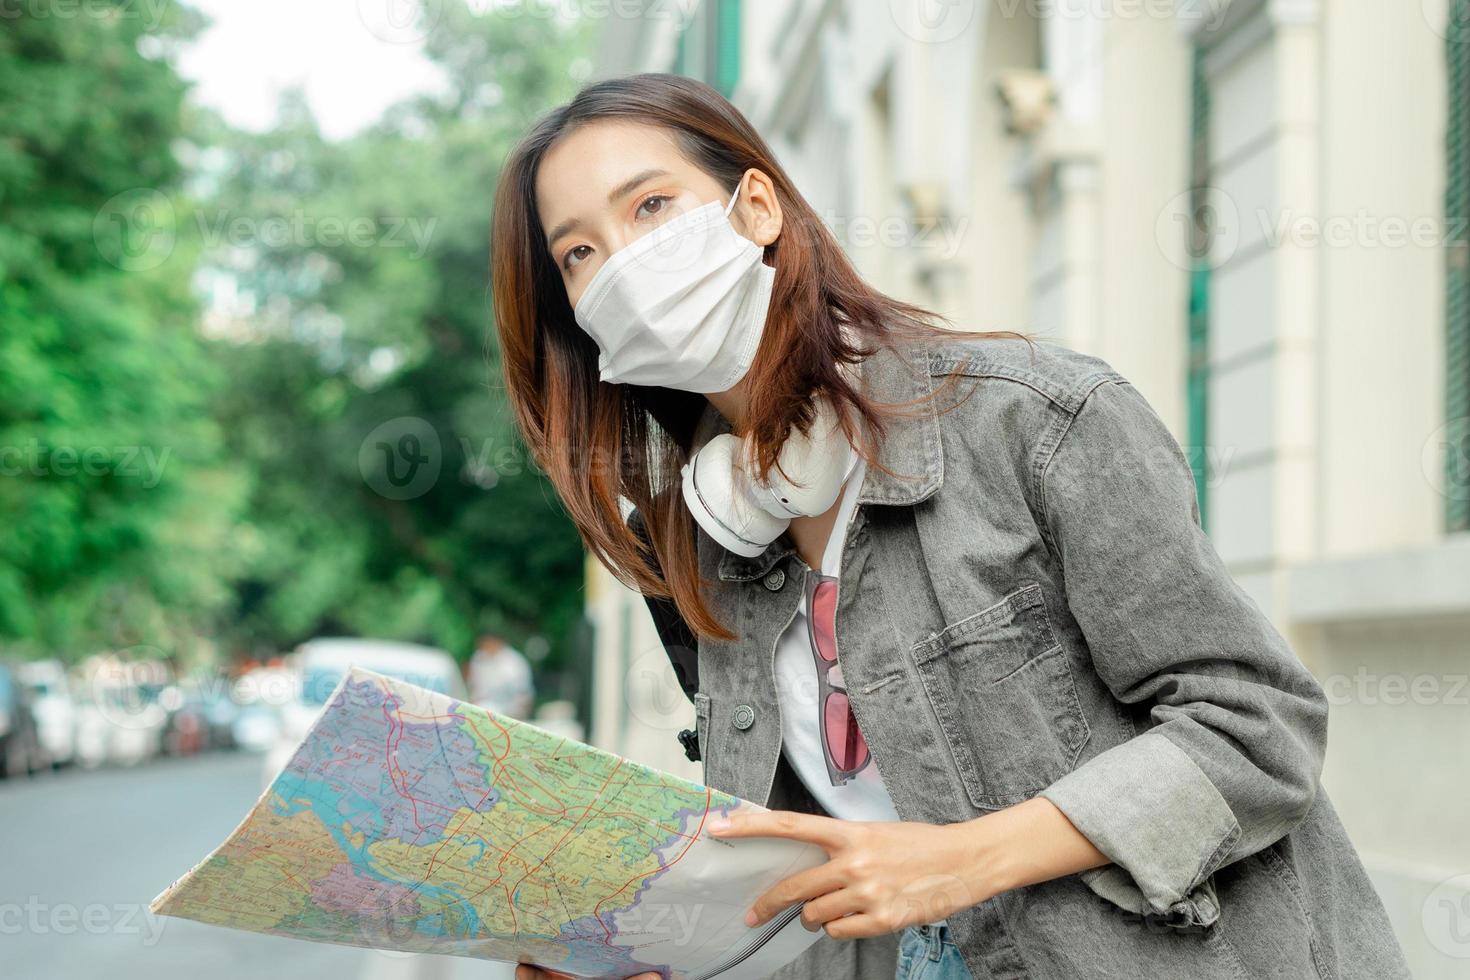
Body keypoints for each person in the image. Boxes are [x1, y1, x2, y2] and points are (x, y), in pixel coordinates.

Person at [490, 73, 1410, 980]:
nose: (622, 265)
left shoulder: (1038, 422)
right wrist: (654, 961)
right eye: (578, 253)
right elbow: (821, 891)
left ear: (756, 206)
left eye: (650, 206)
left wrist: (963, 860)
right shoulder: (698, 547)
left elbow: (1261, 730)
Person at [466, 633, 534, 720]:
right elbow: (475, 689)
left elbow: (523, 694)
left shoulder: (514, 661)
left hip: (512, 711)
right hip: (484, 709)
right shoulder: (478, 658)